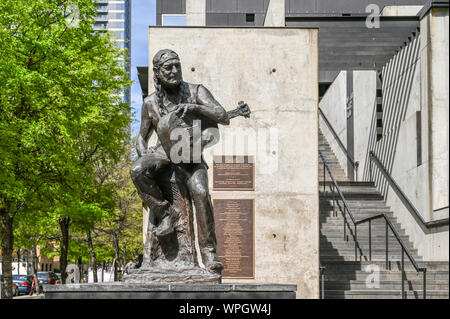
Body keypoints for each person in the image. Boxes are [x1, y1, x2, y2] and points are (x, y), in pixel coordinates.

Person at [130, 49, 243, 274]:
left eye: (177, 66)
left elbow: (222, 116)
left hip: (190, 157)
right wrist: (144, 156)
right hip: (163, 154)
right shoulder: (150, 102)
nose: (174, 71)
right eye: (168, 68)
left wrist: (195, 107)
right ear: (158, 74)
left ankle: (209, 254)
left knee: (201, 193)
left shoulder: (196, 90)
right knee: (137, 170)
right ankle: (165, 214)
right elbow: (141, 138)